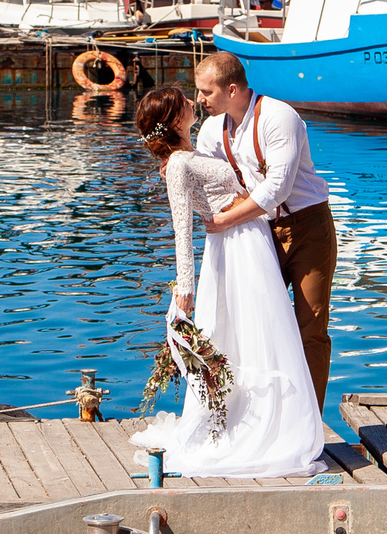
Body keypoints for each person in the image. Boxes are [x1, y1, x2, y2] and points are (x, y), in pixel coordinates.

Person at [127, 85, 325, 479]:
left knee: (262, 329)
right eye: (184, 101)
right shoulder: (179, 164)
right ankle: (261, 423)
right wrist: (185, 287)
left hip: (247, 237)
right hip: (235, 246)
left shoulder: (191, 151)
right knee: (257, 329)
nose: (191, 102)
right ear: (174, 119)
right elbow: (181, 227)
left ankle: (277, 419)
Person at [192, 50, 338, 412]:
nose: (199, 100)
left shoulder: (278, 116)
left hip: (307, 227)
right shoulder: (212, 131)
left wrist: (225, 220)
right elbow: (208, 182)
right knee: (255, 326)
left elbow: (278, 188)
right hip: (257, 231)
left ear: (232, 90)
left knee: (310, 330)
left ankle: (310, 422)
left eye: (206, 92)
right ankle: (263, 418)